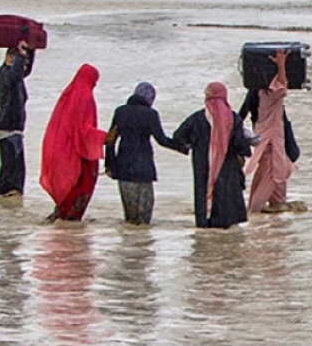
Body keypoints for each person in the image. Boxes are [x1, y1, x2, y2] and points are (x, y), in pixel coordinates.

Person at [172, 82, 251, 228]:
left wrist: (189, 146)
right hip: (228, 165)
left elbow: (178, 137)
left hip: (202, 164)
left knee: (203, 192)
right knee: (225, 194)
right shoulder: (233, 119)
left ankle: (205, 224)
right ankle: (223, 227)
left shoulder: (196, 118)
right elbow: (240, 144)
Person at [105, 82, 179, 224]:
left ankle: (129, 244)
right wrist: (182, 147)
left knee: (130, 218)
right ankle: (143, 245)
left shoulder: (120, 112)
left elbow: (110, 139)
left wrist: (110, 165)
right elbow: (162, 140)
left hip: (124, 167)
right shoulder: (151, 114)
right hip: (144, 168)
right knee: (144, 219)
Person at [39, 64, 106, 222]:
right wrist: (106, 137)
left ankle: (61, 214)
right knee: (81, 185)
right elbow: (84, 130)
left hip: (62, 149)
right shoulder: (86, 97)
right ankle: (69, 220)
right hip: (79, 152)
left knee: (69, 186)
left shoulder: (68, 94)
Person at [243, 49, 296, 213]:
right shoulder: (270, 95)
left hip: (264, 138)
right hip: (271, 141)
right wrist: (281, 64)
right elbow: (281, 89)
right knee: (273, 174)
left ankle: (276, 206)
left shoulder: (255, 93)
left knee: (273, 171)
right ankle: (255, 211)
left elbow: (241, 113)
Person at [0, 40, 36, 196]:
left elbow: (23, 72)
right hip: (8, 126)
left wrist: (31, 51)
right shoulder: (4, 74)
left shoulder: (14, 77)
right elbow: (15, 74)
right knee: (11, 172)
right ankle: (6, 197)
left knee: (15, 171)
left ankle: (8, 198)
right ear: (10, 58)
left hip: (15, 128)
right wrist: (21, 54)